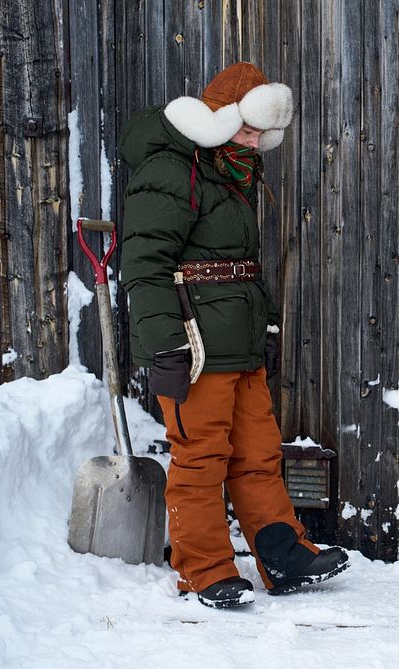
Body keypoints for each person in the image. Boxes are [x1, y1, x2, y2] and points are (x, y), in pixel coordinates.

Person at [119, 62, 349, 609]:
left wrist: (265, 325)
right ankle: (204, 570)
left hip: (238, 340)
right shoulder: (173, 168)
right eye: (246, 129)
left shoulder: (230, 169)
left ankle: (282, 556)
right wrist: (164, 344)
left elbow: (241, 265)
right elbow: (145, 265)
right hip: (195, 342)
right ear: (219, 118)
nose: (254, 141)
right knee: (200, 457)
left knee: (259, 454)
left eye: (259, 133)